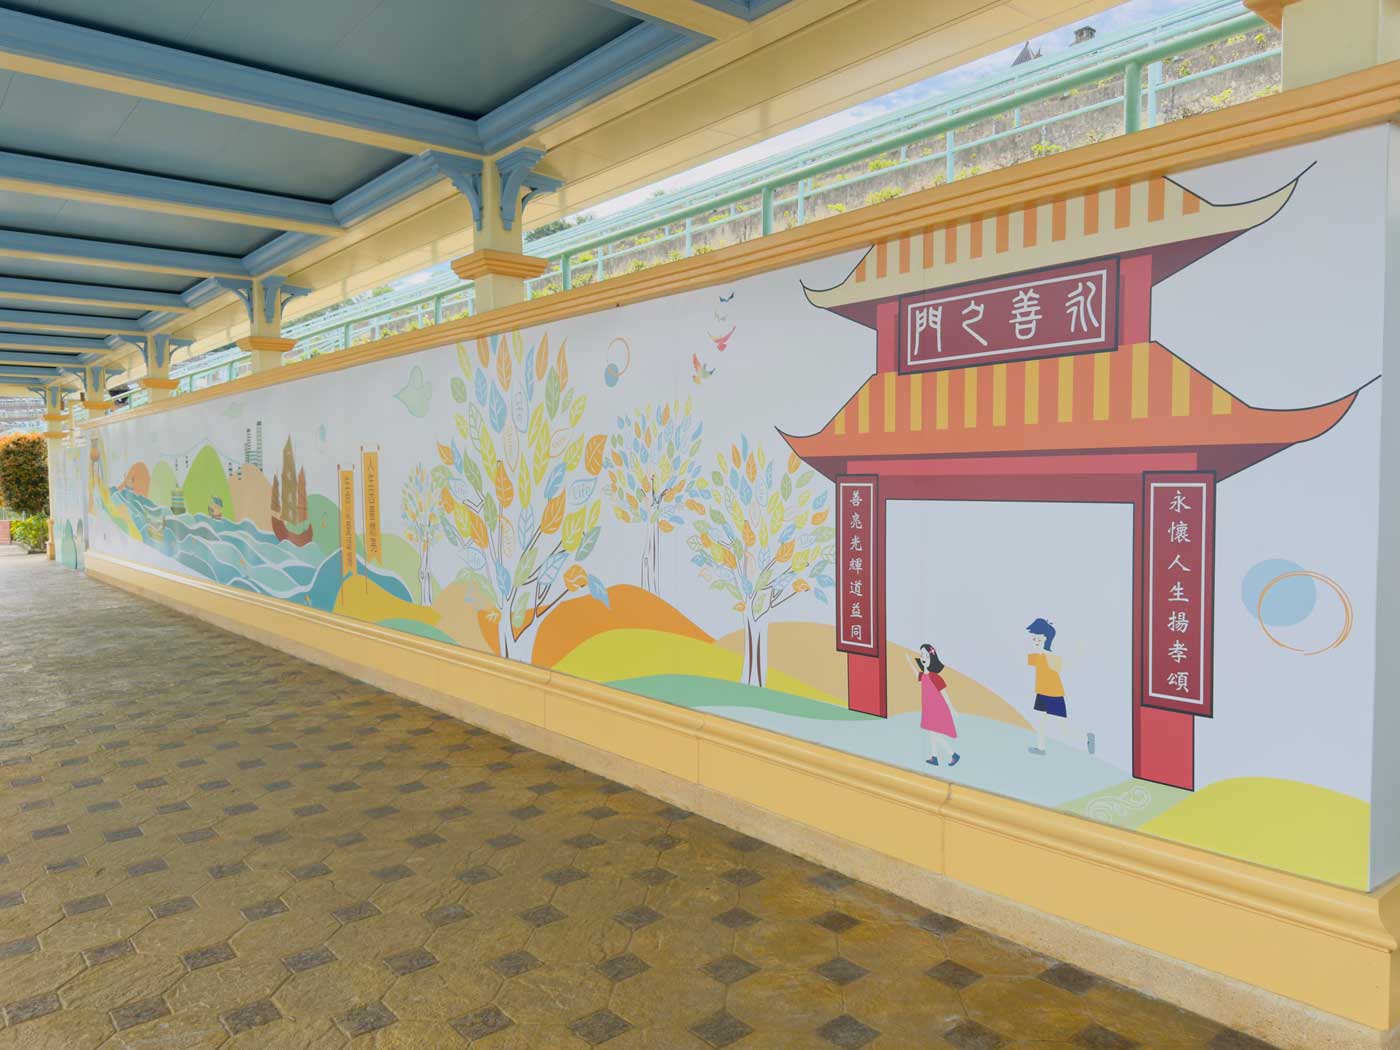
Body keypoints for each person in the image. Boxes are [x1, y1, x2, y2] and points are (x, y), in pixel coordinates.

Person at [908, 644, 959, 767]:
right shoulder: (923, 676)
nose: (923, 658)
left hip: (938, 708)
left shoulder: (935, 677)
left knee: (935, 735)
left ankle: (953, 755)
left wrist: (952, 708)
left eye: (926, 655)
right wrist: (909, 661)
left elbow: (944, 694)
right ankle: (934, 757)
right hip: (929, 708)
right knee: (932, 734)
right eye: (922, 655)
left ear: (932, 658)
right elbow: (916, 674)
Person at [1025, 617, 1066, 756]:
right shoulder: (1038, 655)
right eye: (1034, 638)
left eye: (1038, 638)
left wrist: (1044, 652)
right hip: (1041, 692)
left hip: (1054, 694)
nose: (1035, 640)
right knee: (1041, 723)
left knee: (1060, 725)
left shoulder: (1052, 656)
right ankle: (1041, 748)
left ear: (1046, 638)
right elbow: (1027, 661)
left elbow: (1058, 667)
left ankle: (1084, 737)